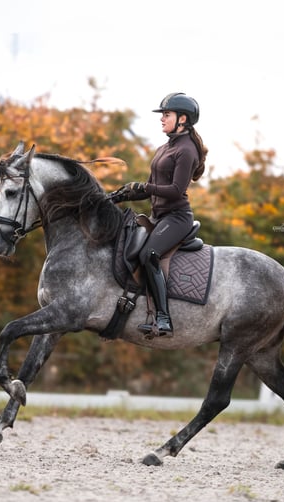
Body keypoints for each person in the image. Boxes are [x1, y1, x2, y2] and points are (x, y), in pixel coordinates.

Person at [109, 92, 208, 337]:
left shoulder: (187, 150)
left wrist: (144, 187)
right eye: (162, 115)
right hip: (158, 217)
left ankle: (164, 319)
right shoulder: (164, 147)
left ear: (182, 119)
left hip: (177, 218)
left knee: (149, 254)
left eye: (166, 115)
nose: (162, 119)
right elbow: (150, 189)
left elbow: (175, 190)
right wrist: (123, 194)